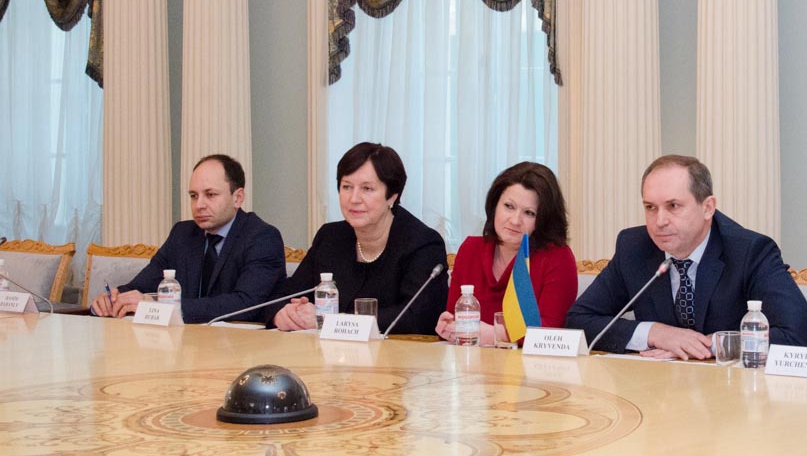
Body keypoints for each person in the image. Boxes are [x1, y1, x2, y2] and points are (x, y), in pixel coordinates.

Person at [566, 155, 807, 358]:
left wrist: (711, 345)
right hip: (655, 392)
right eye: (650, 207)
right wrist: (655, 333)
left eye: (673, 206)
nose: (659, 221)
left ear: (707, 208)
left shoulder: (750, 251)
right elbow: (578, 321)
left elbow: (800, 337)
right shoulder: (634, 247)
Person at [265, 142, 448, 334]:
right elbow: (281, 297)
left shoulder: (422, 243)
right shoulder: (330, 237)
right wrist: (283, 314)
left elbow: (418, 318)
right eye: (346, 187)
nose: (353, 199)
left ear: (392, 196)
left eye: (367, 189)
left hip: (396, 352)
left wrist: (331, 321)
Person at [90, 154, 286, 324]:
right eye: (193, 196)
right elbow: (142, 286)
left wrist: (160, 306)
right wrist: (114, 299)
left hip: (237, 346)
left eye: (210, 194)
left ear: (238, 197)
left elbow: (245, 304)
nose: (199, 205)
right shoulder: (182, 234)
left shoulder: (262, 237)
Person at [435, 162, 577, 344]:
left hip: (528, 362)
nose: (515, 220)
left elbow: (552, 332)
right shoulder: (470, 249)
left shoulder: (557, 258)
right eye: (509, 206)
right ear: (494, 205)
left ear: (543, 220)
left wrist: (496, 334)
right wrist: (448, 327)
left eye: (529, 213)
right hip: (472, 360)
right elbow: (457, 319)